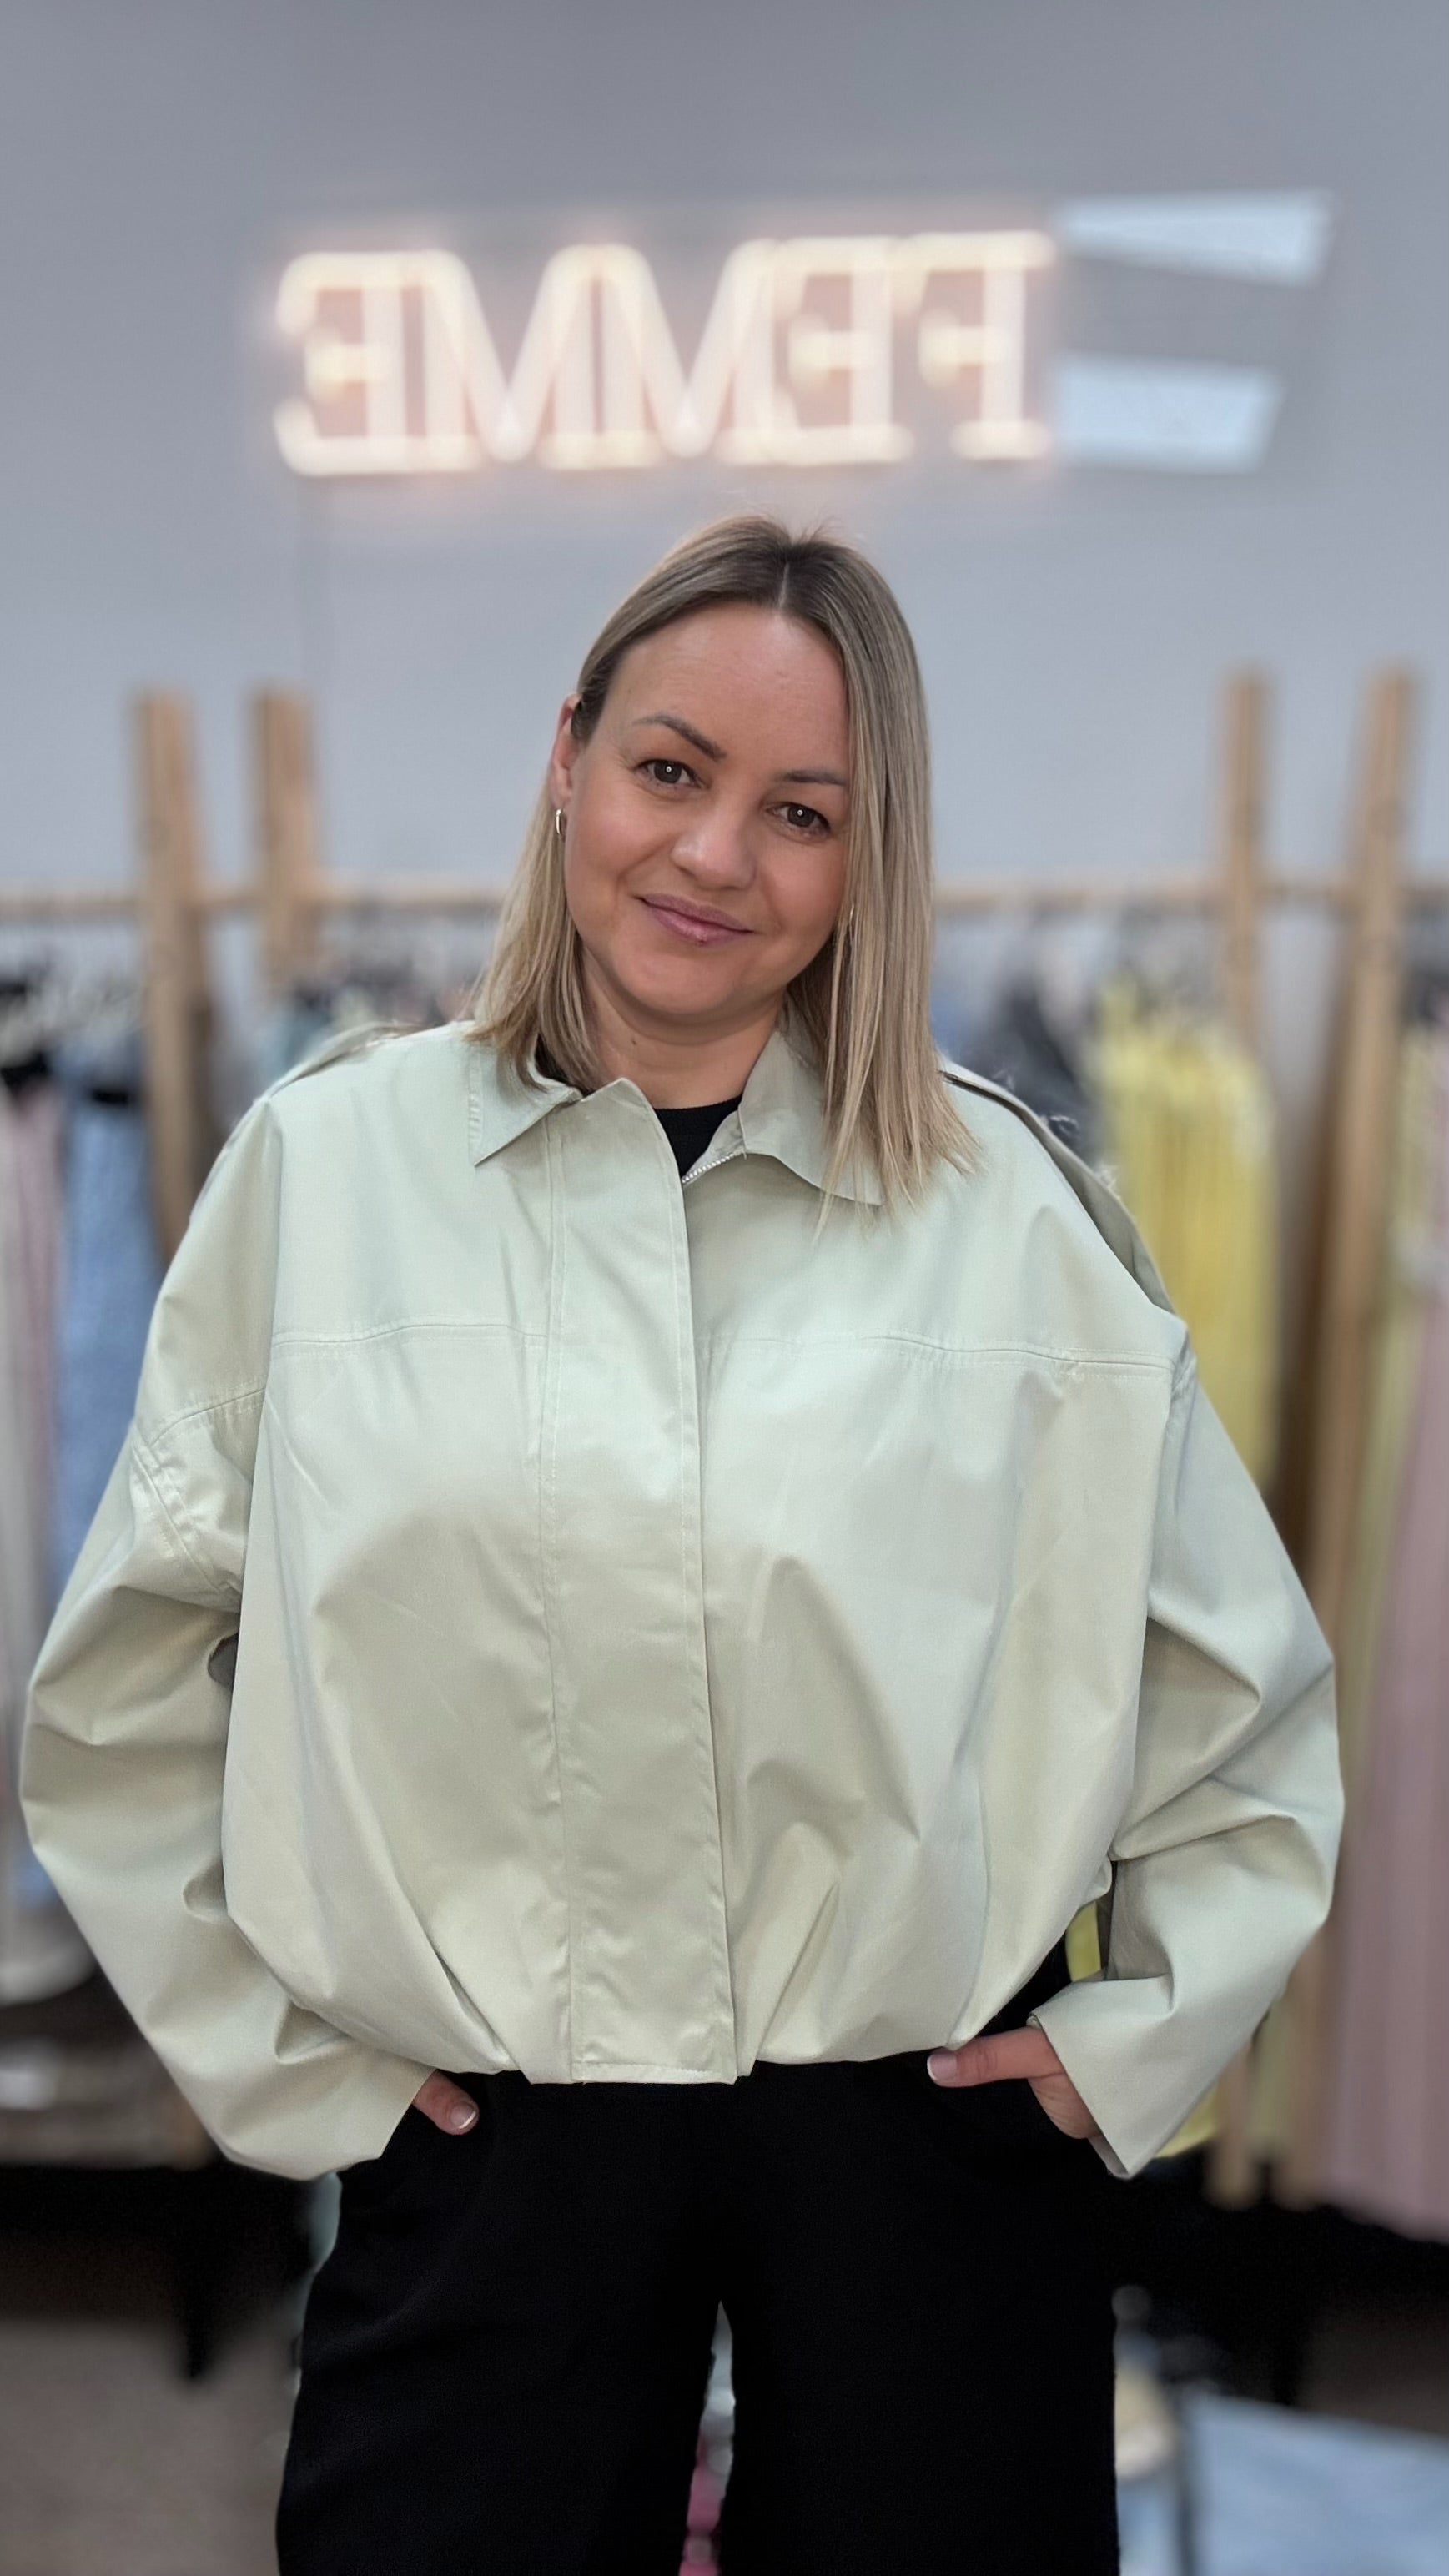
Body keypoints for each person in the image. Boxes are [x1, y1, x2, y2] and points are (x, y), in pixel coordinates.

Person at [23, 516, 1341, 2573]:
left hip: (921, 2130)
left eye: (799, 809)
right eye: (668, 769)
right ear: (569, 759)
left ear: (865, 854)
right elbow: (121, 1681)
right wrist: (292, 2067)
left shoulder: (1004, 1212)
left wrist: (1115, 2053)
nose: (715, 854)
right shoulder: (326, 1174)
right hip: (483, 2129)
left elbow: (1235, 1699)